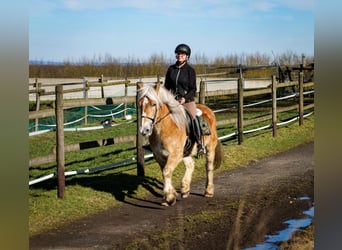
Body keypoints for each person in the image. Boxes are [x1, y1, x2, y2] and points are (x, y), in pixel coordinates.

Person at [164, 43, 205, 157]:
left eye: (183, 54)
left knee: (193, 117)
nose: (180, 55)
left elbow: (193, 89)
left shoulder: (190, 70)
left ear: (187, 56)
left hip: (187, 101)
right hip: (172, 101)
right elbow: (166, 86)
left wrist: (185, 99)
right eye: (178, 53)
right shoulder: (171, 69)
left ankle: (200, 144)